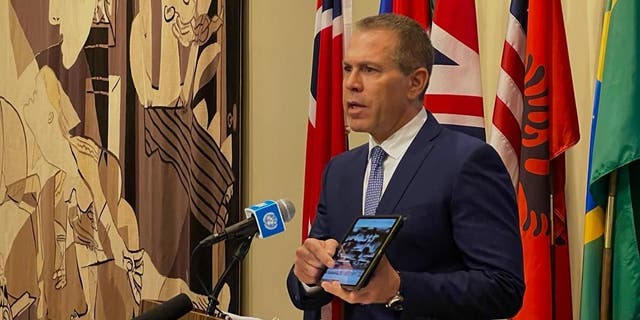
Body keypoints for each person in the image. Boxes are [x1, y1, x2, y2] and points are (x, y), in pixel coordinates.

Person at [286, 14, 524, 320]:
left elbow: (503, 288)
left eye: (369, 70)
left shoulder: (467, 162)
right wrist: (307, 275)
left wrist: (400, 287)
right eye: (348, 69)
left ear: (415, 82)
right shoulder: (340, 171)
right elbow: (307, 288)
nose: (351, 84)